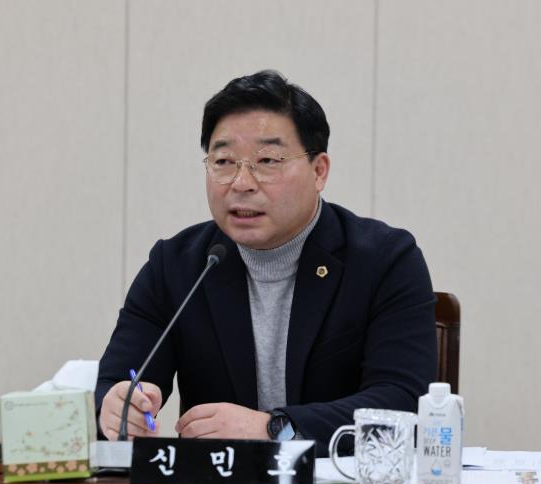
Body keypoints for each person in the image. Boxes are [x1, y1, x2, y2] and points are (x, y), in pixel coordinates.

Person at [95, 70, 437, 455]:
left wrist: (275, 428)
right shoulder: (177, 266)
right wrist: (116, 407)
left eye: (268, 160)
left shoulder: (385, 261)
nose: (241, 182)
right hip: (218, 483)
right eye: (223, 161)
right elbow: (113, 384)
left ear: (319, 171)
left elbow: (403, 404)